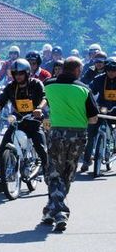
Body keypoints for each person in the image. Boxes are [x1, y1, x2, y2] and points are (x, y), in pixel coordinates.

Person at [42, 57, 98, 231]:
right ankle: (60, 212)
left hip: (57, 133)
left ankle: (52, 210)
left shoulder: (49, 85)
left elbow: (48, 103)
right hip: (78, 135)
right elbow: (94, 118)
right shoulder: (84, 89)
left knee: (54, 173)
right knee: (68, 173)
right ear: (77, 71)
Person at [0, 59, 48, 193]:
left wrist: (39, 108)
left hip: (34, 121)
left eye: (21, 73)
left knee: (40, 147)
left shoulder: (36, 84)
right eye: (15, 73)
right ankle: (3, 177)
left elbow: (45, 98)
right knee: (2, 149)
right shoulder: (10, 87)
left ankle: (50, 175)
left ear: (27, 73)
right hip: (17, 121)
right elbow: (0, 101)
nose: (18, 76)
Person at [80, 57, 116, 172]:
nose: (111, 72)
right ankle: (86, 161)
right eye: (109, 69)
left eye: (114, 70)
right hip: (101, 109)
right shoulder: (98, 79)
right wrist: (89, 106)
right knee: (91, 134)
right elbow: (90, 93)